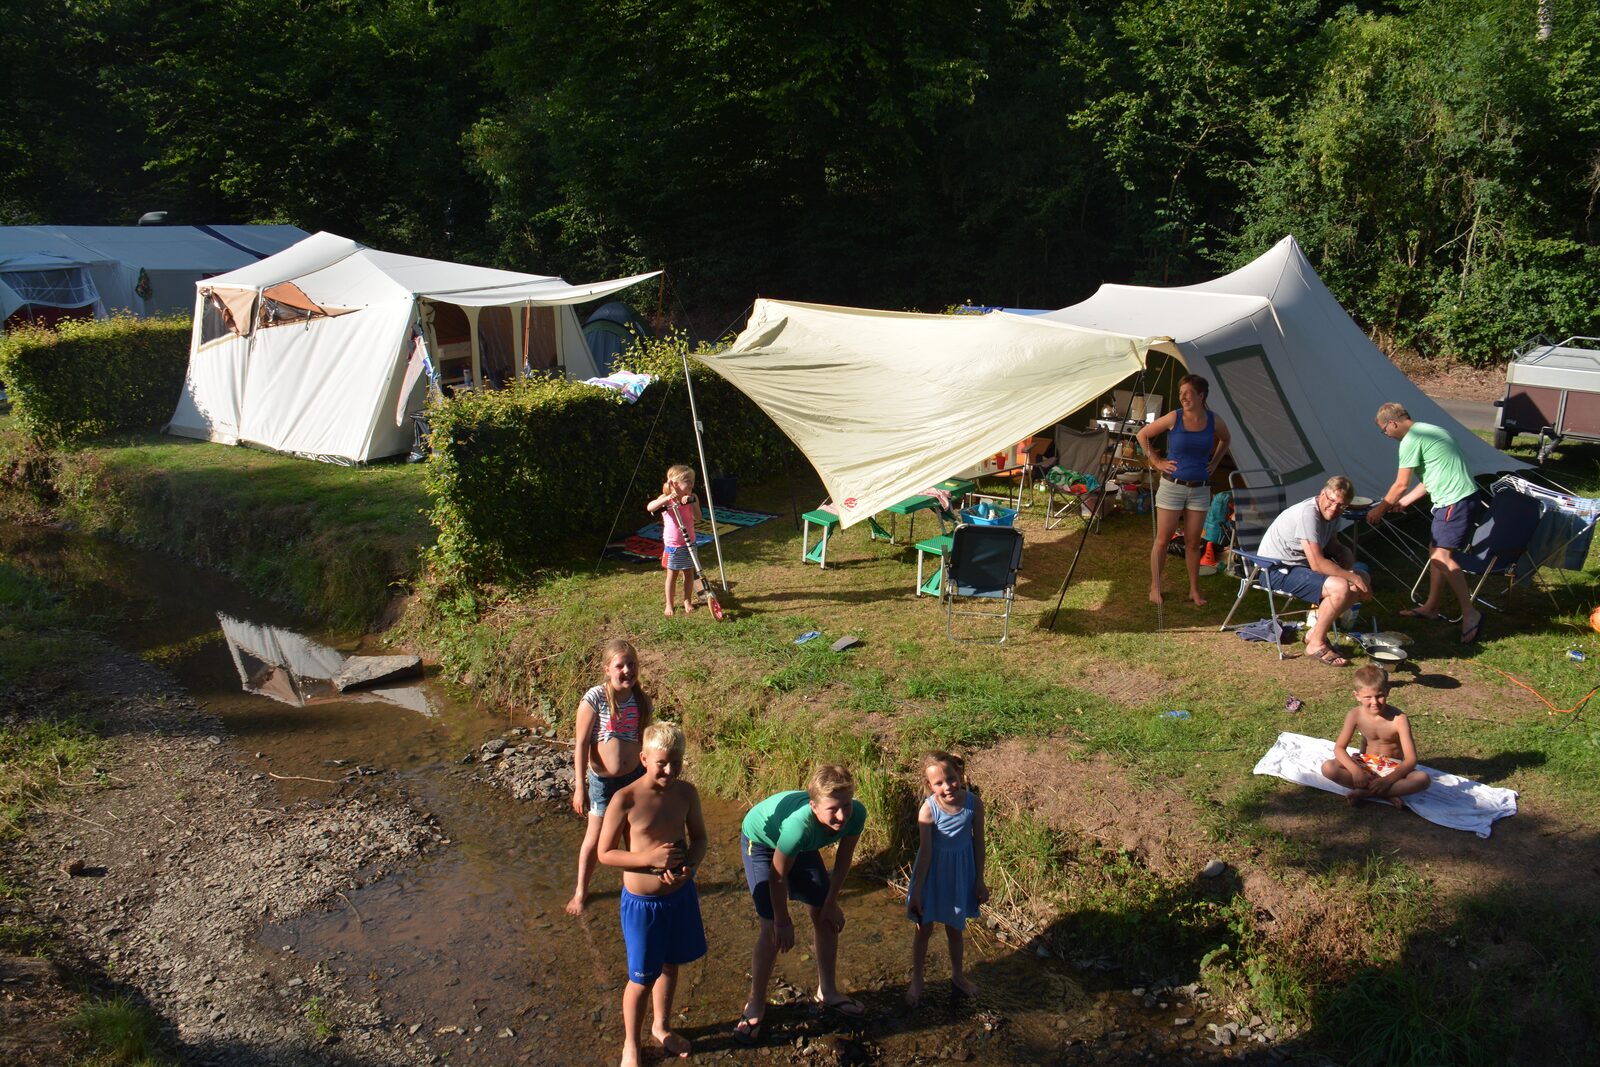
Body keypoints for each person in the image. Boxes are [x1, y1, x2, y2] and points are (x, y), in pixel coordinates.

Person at [597, 722, 708, 1065]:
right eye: (662, 762)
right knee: (641, 978)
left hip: (679, 896)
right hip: (643, 905)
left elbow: (700, 839)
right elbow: (606, 853)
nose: (670, 770)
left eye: (677, 762)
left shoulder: (686, 793)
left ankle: (661, 1026)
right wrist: (648, 859)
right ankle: (631, 1043)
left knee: (671, 966)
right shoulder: (625, 798)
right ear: (644, 758)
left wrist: (690, 864)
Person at [735, 764, 868, 1044]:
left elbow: (843, 862)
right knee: (771, 928)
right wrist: (783, 920)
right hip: (761, 840)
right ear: (815, 807)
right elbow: (777, 876)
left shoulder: (855, 814)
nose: (842, 815)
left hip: (796, 843)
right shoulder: (800, 826)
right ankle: (756, 1002)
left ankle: (828, 991)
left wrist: (831, 903)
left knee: (825, 916)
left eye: (846, 805)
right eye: (834, 809)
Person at [1367, 403, 1485, 643]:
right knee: (1435, 553)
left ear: (1393, 423)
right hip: (1458, 499)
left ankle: (1470, 613)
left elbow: (1400, 484)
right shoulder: (1431, 431)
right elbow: (1432, 477)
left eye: (1384, 430)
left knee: (1442, 557)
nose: (1387, 435)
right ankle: (1431, 606)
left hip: (1455, 501)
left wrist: (1379, 509)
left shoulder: (1411, 440)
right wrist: (1407, 501)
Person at [567, 639, 653, 916]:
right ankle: (581, 890)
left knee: (634, 833)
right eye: (620, 666)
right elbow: (581, 744)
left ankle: (635, 885)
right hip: (603, 783)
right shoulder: (595, 698)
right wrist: (580, 788)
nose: (626, 670)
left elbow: (643, 740)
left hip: (634, 778)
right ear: (607, 669)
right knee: (595, 839)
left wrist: (651, 774)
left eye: (632, 665)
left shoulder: (640, 699)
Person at [1256, 475, 1373, 666]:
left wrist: (1345, 555)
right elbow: (1318, 564)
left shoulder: (1333, 514)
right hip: (1275, 570)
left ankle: (1314, 633)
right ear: (1322, 494)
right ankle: (1315, 644)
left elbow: (1331, 544)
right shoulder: (1308, 514)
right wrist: (1351, 576)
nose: (1335, 507)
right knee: (1342, 586)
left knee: (1361, 577)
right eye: (1332, 500)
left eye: (1341, 505)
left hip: (1298, 567)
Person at [1136, 375, 1232, 606]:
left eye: (1188, 393)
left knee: (1192, 543)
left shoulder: (1213, 420)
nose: (1183, 397)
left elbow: (1226, 439)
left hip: (1199, 489)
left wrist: (1216, 462)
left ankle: (1194, 590)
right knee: (1163, 539)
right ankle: (1155, 588)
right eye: (1181, 393)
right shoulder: (1174, 417)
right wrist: (1157, 462)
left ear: (1201, 395)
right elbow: (1143, 435)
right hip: (1172, 487)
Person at [905, 751, 988, 1008]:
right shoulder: (928, 811)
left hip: (960, 874)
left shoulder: (974, 804)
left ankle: (958, 975)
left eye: (951, 779)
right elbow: (926, 852)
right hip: (931, 874)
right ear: (929, 786)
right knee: (924, 929)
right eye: (938, 783)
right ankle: (917, 979)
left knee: (955, 928)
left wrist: (980, 880)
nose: (947, 786)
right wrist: (917, 892)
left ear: (959, 775)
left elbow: (979, 843)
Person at [1319, 665, 1432, 807]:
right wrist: (1356, 772)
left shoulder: (1399, 719)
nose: (1374, 702)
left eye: (1379, 696)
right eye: (1368, 697)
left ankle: (1366, 793)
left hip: (1392, 767)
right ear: (1357, 696)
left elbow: (1411, 759)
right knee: (1328, 768)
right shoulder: (1355, 715)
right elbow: (1339, 748)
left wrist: (1389, 780)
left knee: (1422, 779)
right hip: (1365, 764)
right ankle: (1388, 793)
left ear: (1388, 691)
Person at [647, 464, 701, 617]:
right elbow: (650, 507)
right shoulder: (666, 499)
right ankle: (669, 603)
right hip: (673, 545)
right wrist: (666, 499)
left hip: (689, 542)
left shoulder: (693, 497)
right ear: (674, 483)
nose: (691, 484)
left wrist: (692, 502)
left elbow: (698, 517)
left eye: (692, 480)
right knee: (672, 574)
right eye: (687, 480)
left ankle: (687, 600)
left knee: (689, 573)